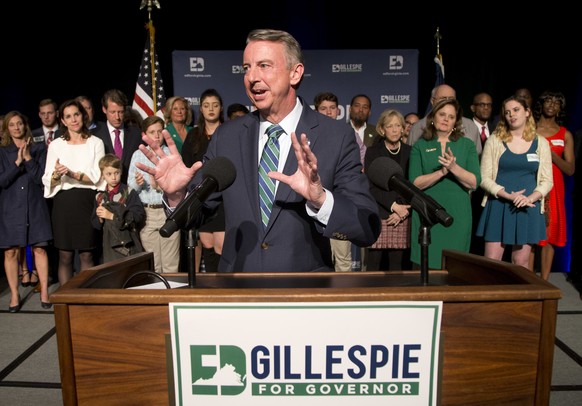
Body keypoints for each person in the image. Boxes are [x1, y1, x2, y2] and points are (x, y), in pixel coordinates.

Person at [135, 28, 380, 273]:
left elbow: (366, 227)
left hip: (304, 292)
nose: (251, 76)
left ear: (295, 73)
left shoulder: (335, 137)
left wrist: (321, 200)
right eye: (246, 68)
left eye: (263, 65)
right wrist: (177, 195)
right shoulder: (227, 136)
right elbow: (197, 213)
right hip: (237, 290)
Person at [476, 95, 553, 269]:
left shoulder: (541, 143)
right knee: (492, 263)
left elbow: (547, 180)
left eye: (516, 110)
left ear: (527, 112)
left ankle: (520, 297)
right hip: (499, 205)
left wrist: (531, 198)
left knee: (521, 262)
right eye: (507, 112)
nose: (512, 115)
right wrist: (506, 195)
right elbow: (484, 177)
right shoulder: (494, 141)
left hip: (528, 207)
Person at [409, 98, 481, 269]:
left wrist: (454, 167)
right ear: (433, 117)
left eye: (451, 116)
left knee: (455, 268)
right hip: (427, 214)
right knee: (426, 266)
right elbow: (415, 183)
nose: (446, 119)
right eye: (442, 114)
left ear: (455, 122)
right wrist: (441, 172)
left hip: (458, 214)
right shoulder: (420, 145)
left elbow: (474, 182)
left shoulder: (467, 145)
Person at [42, 99, 106, 285]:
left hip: (87, 202)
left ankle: (85, 301)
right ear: (62, 120)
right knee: (65, 256)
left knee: (87, 254)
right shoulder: (56, 145)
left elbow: (98, 176)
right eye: (68, 116)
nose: (73, 120)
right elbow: (48, 178)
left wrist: (72, 174)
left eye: (76, 114)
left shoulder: (96, 142)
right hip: (64, 203)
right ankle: (66, 301)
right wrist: (56, 175)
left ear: (83, 116)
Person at [1, 111, 53, 311]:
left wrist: (29, 158)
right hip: (11, 208)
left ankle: (45, 291)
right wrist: (17, 163)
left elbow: (41, 178)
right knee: (11, 252)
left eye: (19, 124)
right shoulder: (2, 151)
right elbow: (2, 181)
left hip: (35, 205)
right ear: (7, 128)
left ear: (25, 125)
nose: (16, 128)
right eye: (12, 125)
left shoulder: (39, 148)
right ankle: (14, 295)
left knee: (40, 248)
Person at [128, 116, 181, 273]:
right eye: (152, 132)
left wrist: (162, 186)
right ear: (144, 135)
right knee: (154, 264)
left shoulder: (172, 154)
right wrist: (138, 182)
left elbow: (180, 185)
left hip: (168, 212)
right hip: (148, 213)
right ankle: (157, 296)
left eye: (160, 131)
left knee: (171, 264)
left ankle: (172, 296)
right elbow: (130, 187)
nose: (157, 136)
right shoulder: (137, 155)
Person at [181, 88, 225, 273]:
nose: (211, 109)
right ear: (201, 109)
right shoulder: (194, 135)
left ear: (221, 108)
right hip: (202, 196)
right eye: (206, 105)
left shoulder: (228, 132)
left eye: (215, 105)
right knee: (206, 243)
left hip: (225, 197)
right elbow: (187, 165)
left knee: (221, 245)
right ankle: (212, 290)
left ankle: (227, 288)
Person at [532, 91, 575, 280]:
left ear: (560, 109)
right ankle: (527, 277)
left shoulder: (565, 134)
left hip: (555, 190)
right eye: (548, 101)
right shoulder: (529, 129)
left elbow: (570, 169)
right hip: (532, 184)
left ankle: (544, 281)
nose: (552, 105)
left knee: (549, 234)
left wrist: (553, 155)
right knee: (531, 234)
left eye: (557, 103)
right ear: (541, 105)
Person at [364, 109, 412, 270]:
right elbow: (370, 185)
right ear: (382, 129)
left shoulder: (410, 152)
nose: (394, 129)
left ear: (403, 128)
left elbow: (411, 184)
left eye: (398, 125)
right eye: (389, 126)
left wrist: (401, 210)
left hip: (402, 214)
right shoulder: (372, 152)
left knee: (397, 266)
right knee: (373, 264)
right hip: (379, 212)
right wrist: (393, 206)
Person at [313, 91, 353, 272]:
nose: (328, 112)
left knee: (343, 260)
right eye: (323, 109)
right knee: (315, 260)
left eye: (332, 108)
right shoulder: (307, 136)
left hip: (339, 208)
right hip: (312, 209)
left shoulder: (347, 136)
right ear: (316, 111)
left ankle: (345, 300)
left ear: (338, 111)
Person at [91, 154, 145, 263]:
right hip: (109, 244)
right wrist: (100, 218)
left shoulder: (129, 192)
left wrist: (112, 216)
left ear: (121, 172)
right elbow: (96, 225)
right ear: (102, 175)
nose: (113, 177)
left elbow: (138, 216)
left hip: (128, 242)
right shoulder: (99, 197)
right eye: (109, 174)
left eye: (116, 173)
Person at [406, 84, 482, 156]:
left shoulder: (470, 126)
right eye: (443, 99)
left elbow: (477, 159)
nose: (447, 102)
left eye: (451, 99)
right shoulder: (417, 128)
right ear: (432, 101)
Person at [93, 89, 143, 184]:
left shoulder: (136, 134)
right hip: (104, 191)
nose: (117, 117)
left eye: (120, 112)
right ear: (104, 109)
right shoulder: (95, 135)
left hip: (130, 190)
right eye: (113, 112)